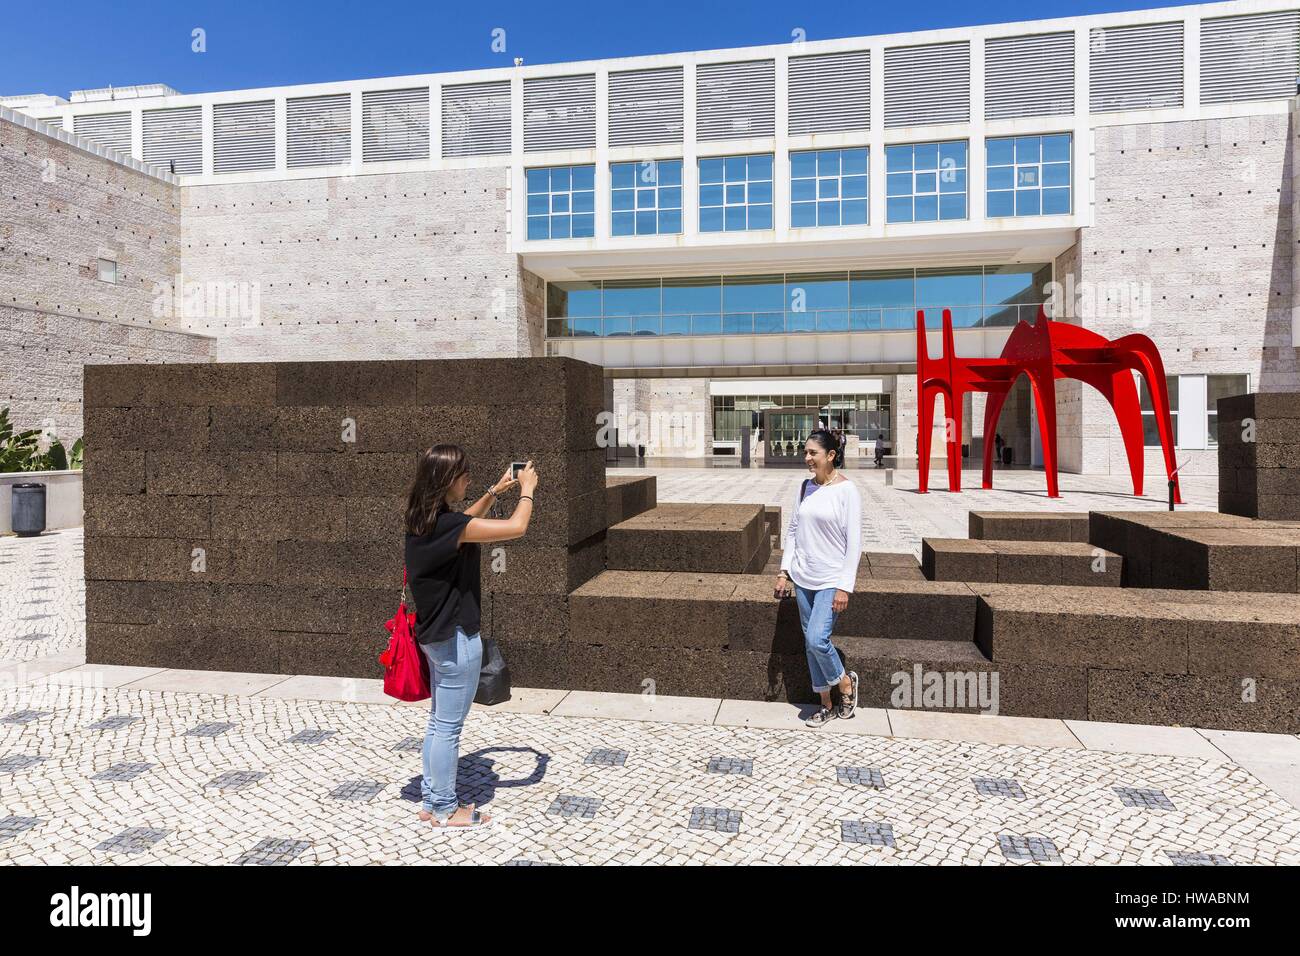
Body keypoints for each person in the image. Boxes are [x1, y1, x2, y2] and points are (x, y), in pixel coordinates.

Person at [404, 445, 539, 829]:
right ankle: (446, 809)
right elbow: (517, 527)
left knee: (437, 722)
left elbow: (464, 522)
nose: (467, 479)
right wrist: (527, 489)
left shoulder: (424, 521)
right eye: (464, 474)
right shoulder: (449, 526)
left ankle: (432, 800)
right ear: (447, 480)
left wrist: (495, 491)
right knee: (448, 727)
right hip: (457, 638)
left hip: (435, 636)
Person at [774, 429, 862, 727]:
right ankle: (824, 704)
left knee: (816, 638)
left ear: (831, 456)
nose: (807, 458)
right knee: (810, 644)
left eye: (813, 453)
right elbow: (794, 530)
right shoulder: (804, 488)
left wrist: (844, 587)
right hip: (803, 578)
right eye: (806, 452)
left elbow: (854, 543)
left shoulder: (847, 491)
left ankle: (845, 683)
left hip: (830, 580)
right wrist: (784, 570)